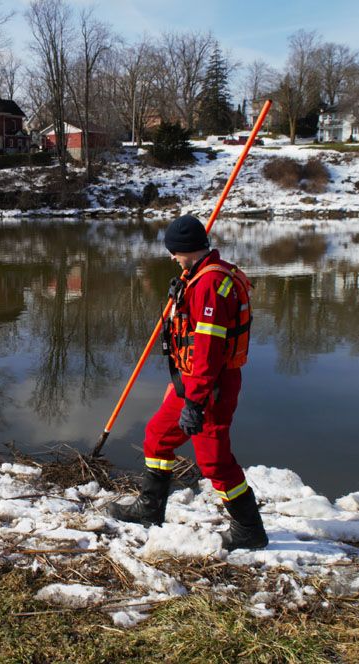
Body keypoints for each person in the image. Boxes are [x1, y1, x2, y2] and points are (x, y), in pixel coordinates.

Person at [108, 214, 268, 551]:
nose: (171, 257)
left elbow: (209, 352)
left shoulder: (210, 285)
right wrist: (181, 384)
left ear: (187, 250)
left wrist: (195, 402)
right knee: (157, 437)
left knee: (214, 462)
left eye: (173, 251)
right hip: (193, 383)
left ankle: (249, 529)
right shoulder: (200, 275)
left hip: (211, 388)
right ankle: (150, 510)